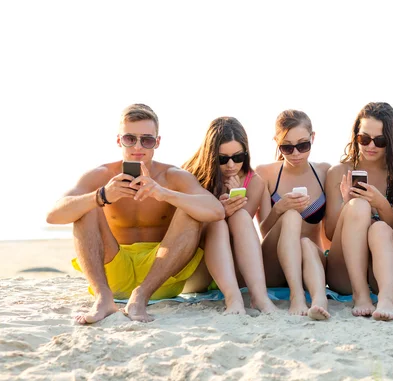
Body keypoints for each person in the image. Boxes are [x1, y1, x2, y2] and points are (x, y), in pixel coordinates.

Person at [46, 104, 245, 324]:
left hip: (160, 276)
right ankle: (103, 299)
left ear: (157, 142)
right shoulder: (101, 175)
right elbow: (53, 215)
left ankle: (140, 296)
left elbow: (215, 211)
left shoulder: (173, 176)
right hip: (114, 271)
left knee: (190, 210)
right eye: (130, 139)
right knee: (85, 205)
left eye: (147, 140)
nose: (138, 146)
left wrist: (163, 193)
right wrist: (102, 195)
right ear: (119, 140)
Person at [325, 102, 393, 321]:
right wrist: (347, 203)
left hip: (388, 274)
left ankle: (386, 299)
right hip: (345, 273)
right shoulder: (339, 172)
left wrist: (381, 203)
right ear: (355, 136)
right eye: (364, 138)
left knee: (381, 228)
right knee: (358, 205)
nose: (370, 146)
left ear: (391, 142)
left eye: (380, 141)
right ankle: (360, 294)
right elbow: (328, 234)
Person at [182, 116, 277, 313]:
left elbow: (241, 231)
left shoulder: (255, 181)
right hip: (198, 267)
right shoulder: (191, 175)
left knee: (241, 216)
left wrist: (236, 198)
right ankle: (233, 299)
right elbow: (185, 232)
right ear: (210, 155)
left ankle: (259, 298)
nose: (231, 165)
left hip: (234, 267)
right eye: (222, 159)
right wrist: (218, 207)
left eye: (238, 157)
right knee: (216, 222)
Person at [256, 110, 331, 320]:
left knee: (307, 243)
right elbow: (263, 230)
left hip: (311, 261)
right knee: (291, 216)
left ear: (313, 138)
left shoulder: (325, 172)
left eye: (303, 145)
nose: (296, 153)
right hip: (275, 263)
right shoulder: (266, 173)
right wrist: (280, 208)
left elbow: (329, 233)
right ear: (276, 143)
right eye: (287, 147)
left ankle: (319, 299)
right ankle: (296, 296)